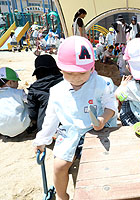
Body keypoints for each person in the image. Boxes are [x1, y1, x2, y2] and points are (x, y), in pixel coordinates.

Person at [33, 36, 117, 200]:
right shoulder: (57, 91)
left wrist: (103, 119)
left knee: (105, 164)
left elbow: (111, 106)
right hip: (71, 132)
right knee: (59, 166)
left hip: (97, 131)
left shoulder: (102, 83)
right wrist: (41, 140)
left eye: (82, 73)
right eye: (70, 73)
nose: (76, 78)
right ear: (60, 70)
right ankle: (62, 196)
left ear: (92, 68)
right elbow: (51, 119)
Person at [27, 55, 63, 132]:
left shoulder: (34, 89)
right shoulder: (66, 81)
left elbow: (32, 112)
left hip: (45, 129)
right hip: (67, 124)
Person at [0, 67, 30, 137]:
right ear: (10, 82)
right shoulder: (19, 92)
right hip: (21, 127)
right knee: (28, 104)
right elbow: (30, 102)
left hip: (2, 130)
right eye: (16, 81)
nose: (18, 84)